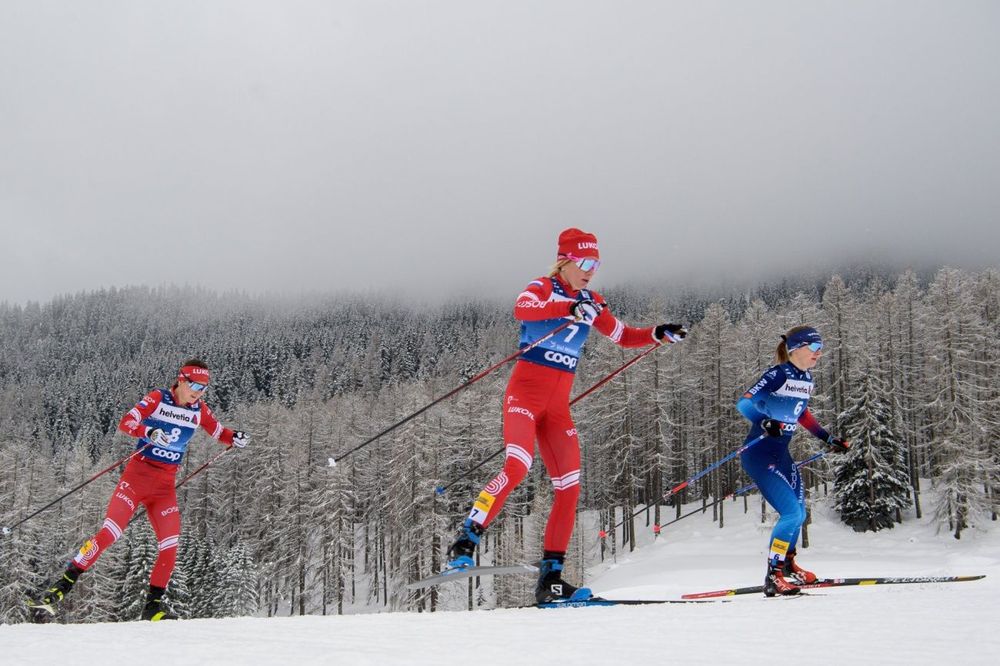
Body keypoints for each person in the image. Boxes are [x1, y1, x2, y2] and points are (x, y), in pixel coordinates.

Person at [446, 228, 688, 604]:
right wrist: (567, 309)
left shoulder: (592, 301)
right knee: (517, 466)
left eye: (596, 264)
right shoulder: (543, 288)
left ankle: (551, 579)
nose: (591, 270)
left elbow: (622, 335)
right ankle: (466, 539)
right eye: (585, 262)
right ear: (565, 261)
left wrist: (658, 333)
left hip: (557, 410)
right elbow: (522, 309)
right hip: (524, 397)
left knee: (569, 488)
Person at [29, 359, 250, 621]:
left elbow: (219, 432)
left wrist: (235, 437)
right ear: (181, 380)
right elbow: (126, 422)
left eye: (204, 387)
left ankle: (152, 608)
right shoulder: (158, 398)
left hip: (164, 489)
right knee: (110, 533)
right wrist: (149, 431)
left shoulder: (199, 410)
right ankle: (60, 588)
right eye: (194, 385)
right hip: (136, 480)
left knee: (170, 545)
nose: (198, 392)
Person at [736, 326, 850, 597]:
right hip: (760, 454)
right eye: (814, 347)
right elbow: (744, 403)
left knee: (799, 513)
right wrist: (765, 421)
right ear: (796, 348)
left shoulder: (806, 379)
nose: (818, 353)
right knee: (791, 514)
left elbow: (801, 414)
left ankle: (787, 565)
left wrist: (828, 438)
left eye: (821, 348)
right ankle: (773, 575)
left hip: (782, 455)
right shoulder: (777, 374)